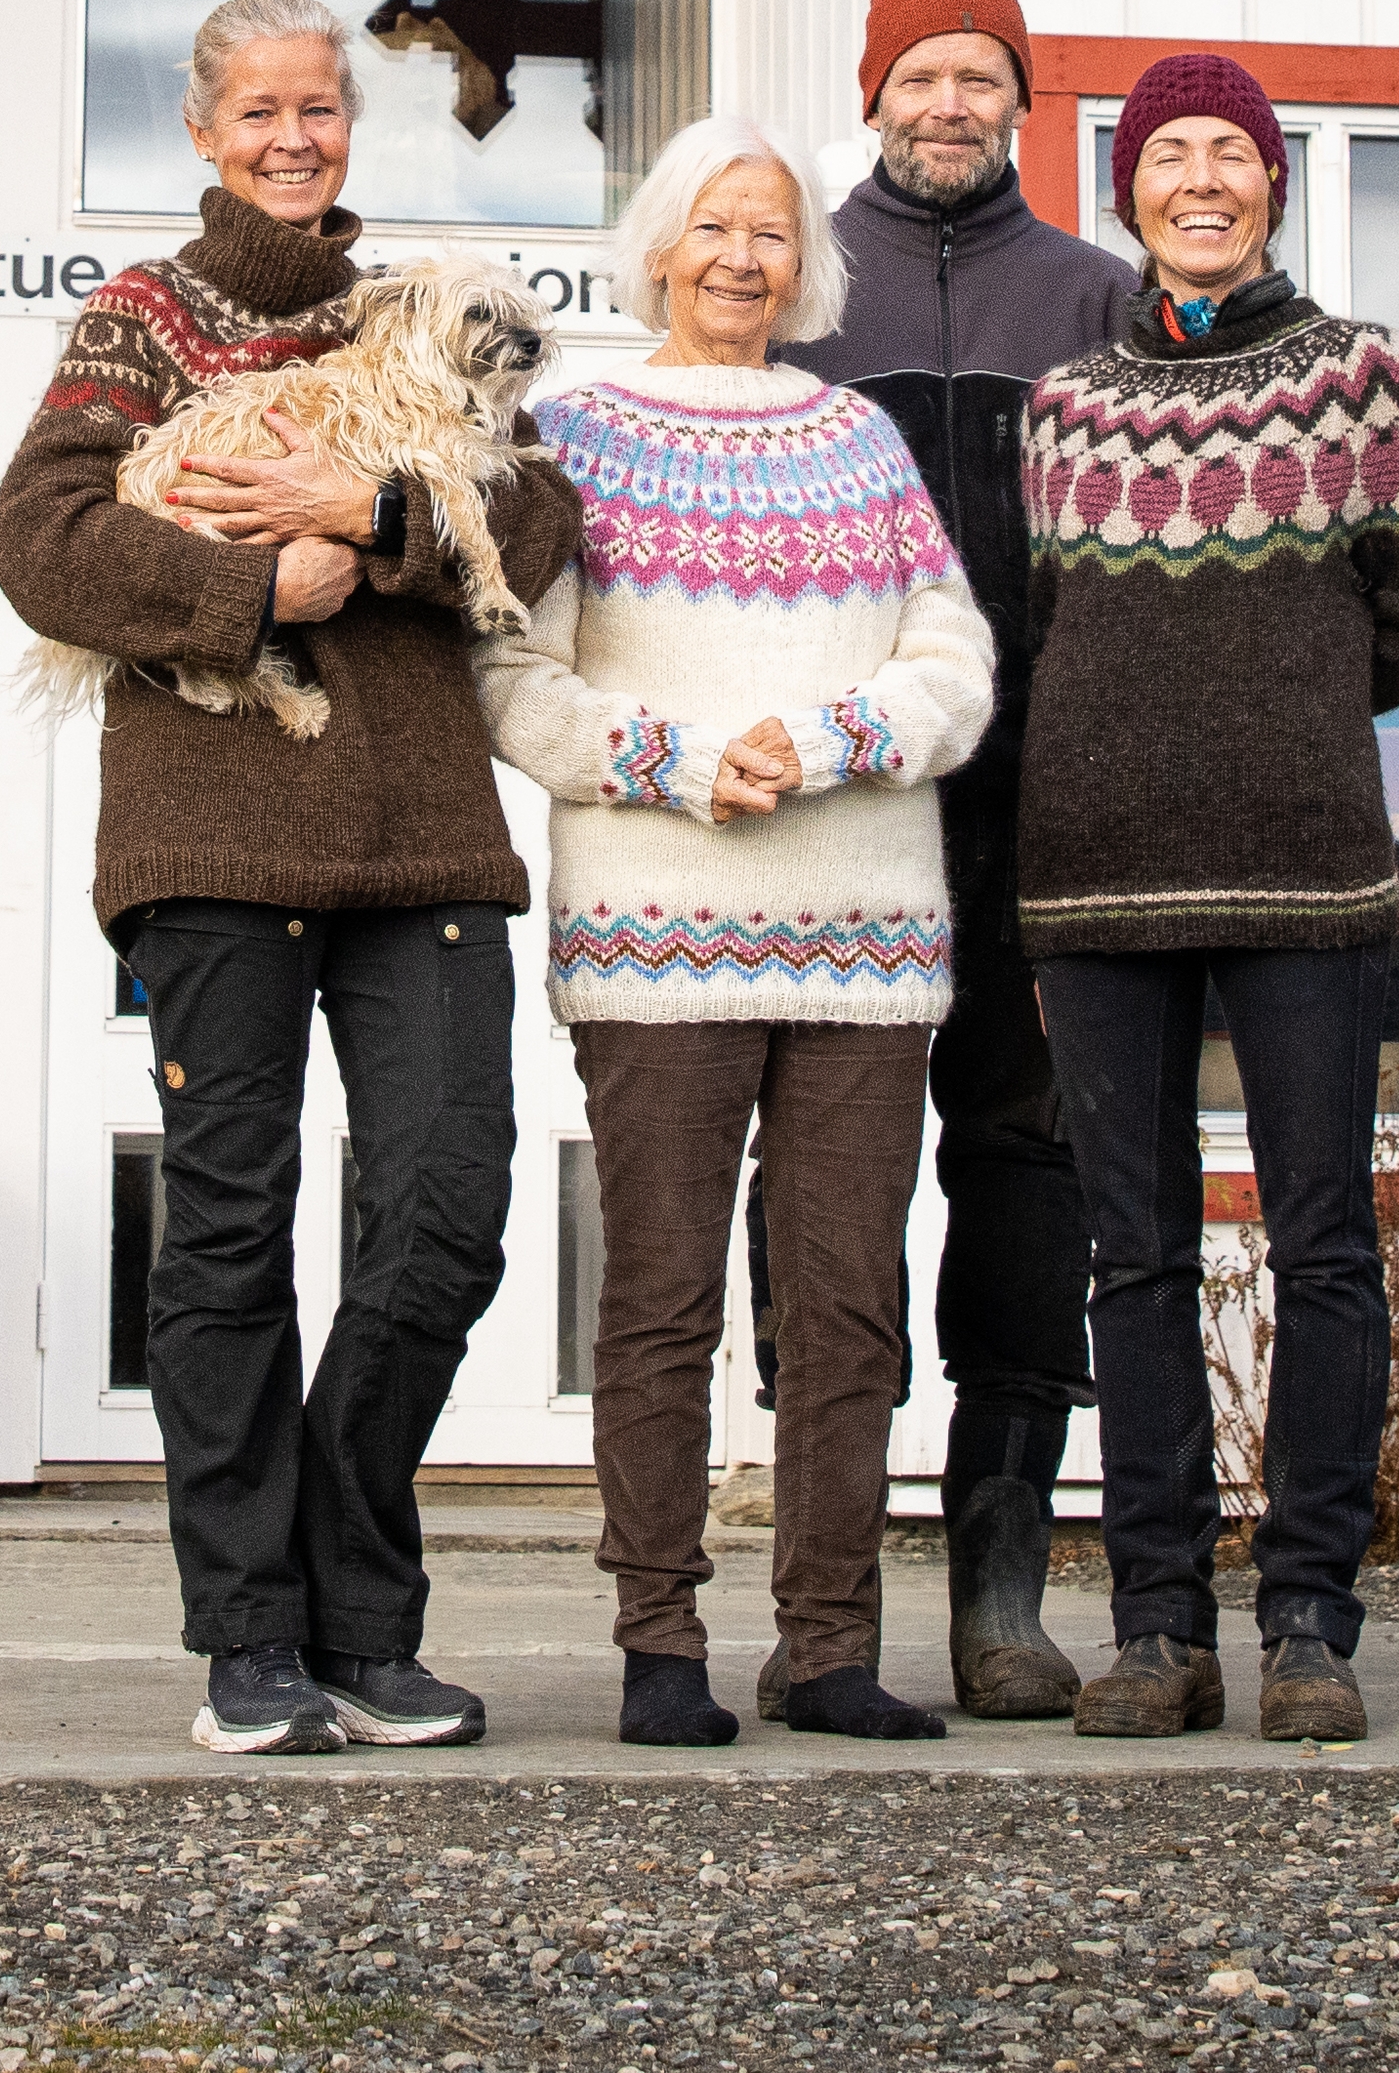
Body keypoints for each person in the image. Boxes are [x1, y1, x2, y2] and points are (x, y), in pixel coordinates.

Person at [0, 0, 582, 1759]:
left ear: (348, 124)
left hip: (419, 837)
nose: (292, 136)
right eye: (257, 110)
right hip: (212, 837)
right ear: (203, 129)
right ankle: (258, 1637)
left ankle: (347, 1595)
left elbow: (538, 519)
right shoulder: (140, 319)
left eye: (317, 106)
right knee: (231, 1234)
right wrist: (257, 589)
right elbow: (42, 540)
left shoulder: (417, 310)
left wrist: (375, 519)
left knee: (446, 1217)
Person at [477, 114, 995, 1746]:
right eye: (712, 226)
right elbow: (510, 676)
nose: (741, 257)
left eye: (770, 230)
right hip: (656, 934)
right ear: (658, 248)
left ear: (806, 261)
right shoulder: (570, 437)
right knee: (660, 1297)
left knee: (846, 1306)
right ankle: (659, 1644)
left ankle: (829, 1647)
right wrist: (683, 761)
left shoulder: (859, 440)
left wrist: (834, 738)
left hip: (868, 943)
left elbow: (956, 661)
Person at [1013, 50, 1399, 1743]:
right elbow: (1051, 638)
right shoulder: (1063, 407)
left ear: (1272, 183)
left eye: (1231, 153)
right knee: (1132, 1257)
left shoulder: (1367, 379)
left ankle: (1308, 1628)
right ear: (1126, 189)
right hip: (1097, 882)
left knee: (1323, 1245)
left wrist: (1279, 717)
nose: (1200, 179)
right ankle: (1157, 1629)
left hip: (1307, 872)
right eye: (1168, 155)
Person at [786, 0, 1131, 1721]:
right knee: (823, 1186)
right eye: (919, 75)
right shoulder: (795, 286)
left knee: (1024, 1174)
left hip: (1036, 809)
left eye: (980, 76)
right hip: (837, 810)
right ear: (874, 96)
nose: (949, 103)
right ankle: (823, 1598)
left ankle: (1002, 1595)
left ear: (1020, 103)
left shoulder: (1097, 300)